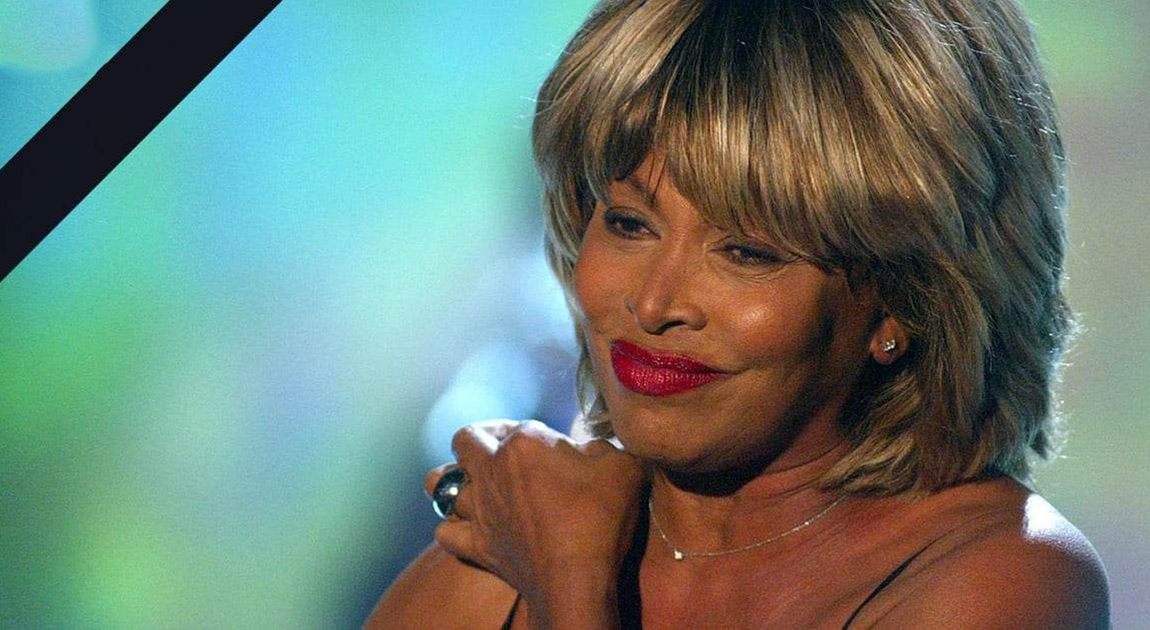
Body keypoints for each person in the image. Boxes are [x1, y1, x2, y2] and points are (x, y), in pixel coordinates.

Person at [367, 0, 1109, 627]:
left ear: (904, 302)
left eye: (747, 252)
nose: (653, 304)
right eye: (629, 223)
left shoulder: (1003, 578)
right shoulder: (487, 575)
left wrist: (571, 587)